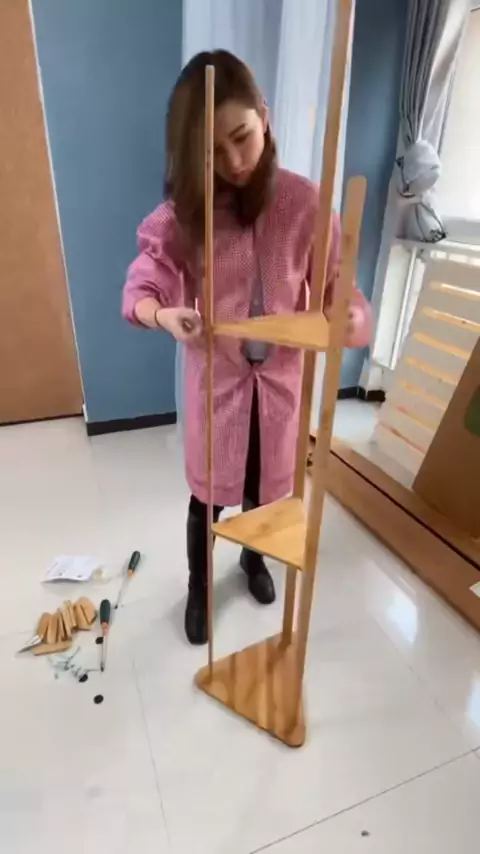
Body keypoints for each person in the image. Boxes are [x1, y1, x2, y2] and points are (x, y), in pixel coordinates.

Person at [122, 50, 372, 646]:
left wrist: (350, 316)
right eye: (213, 151)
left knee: (266, 489)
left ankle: (253, 559)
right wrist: (164, 314)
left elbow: (340, 287)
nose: (233, 163)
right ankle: (199, 587)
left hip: (280, 385)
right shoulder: (187, 215)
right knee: (207, 497)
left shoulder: (307, 204)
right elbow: (143, 283)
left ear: (264, 115)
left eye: (241, 137)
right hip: (219, 386)